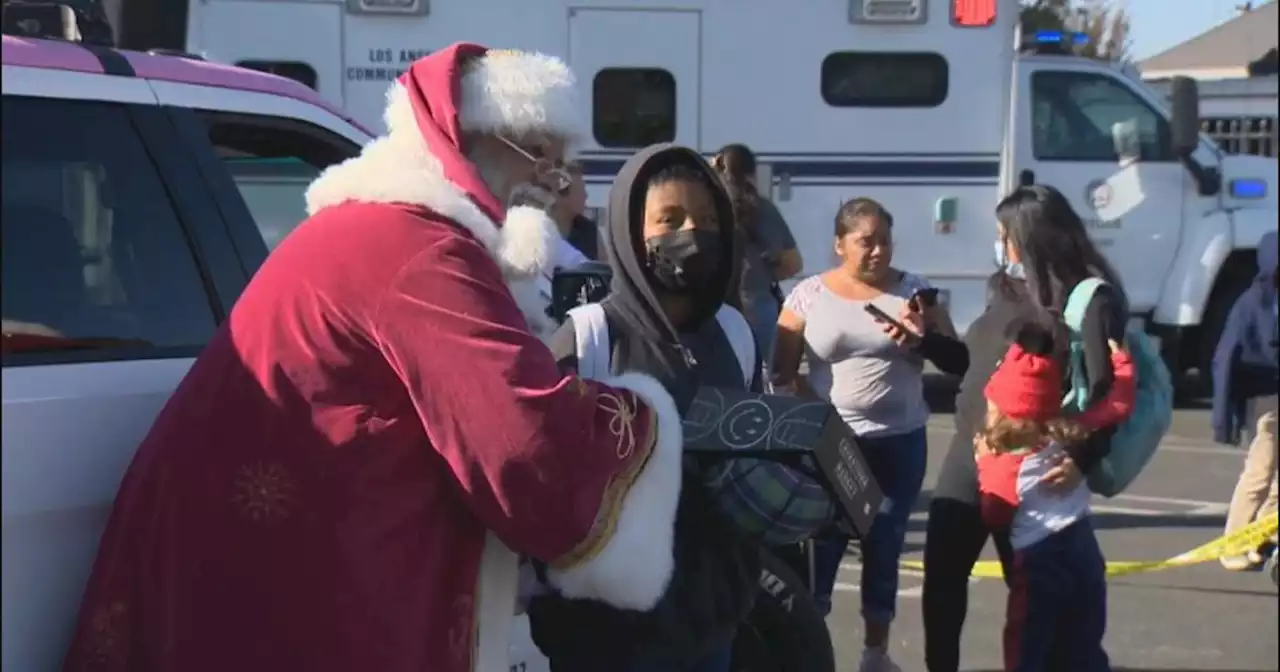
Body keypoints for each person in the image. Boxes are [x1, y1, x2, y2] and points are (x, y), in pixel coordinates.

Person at [61, 44, 689, 672]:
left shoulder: (383, 226)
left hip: (251, 550)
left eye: (559, 158)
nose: (550, 179)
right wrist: (645, 416)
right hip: (296, 573)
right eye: (535, 151)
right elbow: (521, 436)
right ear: (460, 142)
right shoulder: (420, 247)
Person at [528, 144, 759, 672]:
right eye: (670, 219)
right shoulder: (589, 337)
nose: (691, 234)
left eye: (705, 219)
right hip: (607, 636)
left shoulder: (734, 332)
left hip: (708, 623)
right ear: (633, 232)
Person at [922, 184, 1130, 672]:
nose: (999, 247)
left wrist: (1084, 457)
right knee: (943, 582)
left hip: (1030, 467)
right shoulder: (1005, 287)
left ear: (1032, 239)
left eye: (1004, 236)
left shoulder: (1087, 298)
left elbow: (1114, 391)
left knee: (1037, 597)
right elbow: (978, 363)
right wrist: (927, 344)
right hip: (969, 455)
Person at [773, 197, 967, 672]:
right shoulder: (808, 294)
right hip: (831, 443)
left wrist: (921, 341)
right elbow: (781, 371)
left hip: (899, 442)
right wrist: (815, 415)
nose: (878, 251)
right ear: (840, 244)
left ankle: (874, 655)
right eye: (866, 242)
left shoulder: (916, 293)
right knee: (824, 545)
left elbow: (958, 361)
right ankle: (809, 652)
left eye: (885, 240)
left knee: (885, 544)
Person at [977, 322, 1135, 672]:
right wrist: (1122, 362)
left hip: (1038, 562)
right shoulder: (1070, 434)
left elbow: (994, 514)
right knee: (1084, 641)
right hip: (1082, 547)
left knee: (1027, 642)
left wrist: (984, 464)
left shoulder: (1005, 467)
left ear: (1003, 411)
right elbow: (1118, 405)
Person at [1212, 230, 1278, 570]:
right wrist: (1223, 418)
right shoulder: (1251, 304)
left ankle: (1260, 537)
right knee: (1259, 472)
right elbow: (1225, 359)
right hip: (1266, 399)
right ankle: (1233, 544)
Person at [711, 143, 802, 373]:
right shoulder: (764, 209)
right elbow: (793, 264)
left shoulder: (708, 210)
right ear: (752, 172)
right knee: (768, 380)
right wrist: (763, 272)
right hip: (760, 309)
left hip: (717, 310)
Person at [552, 161, 602, 260]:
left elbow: (604, 269)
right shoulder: (541, 230)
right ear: (563, 196)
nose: (586, 195)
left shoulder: (591, 232)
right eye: (581, 190)